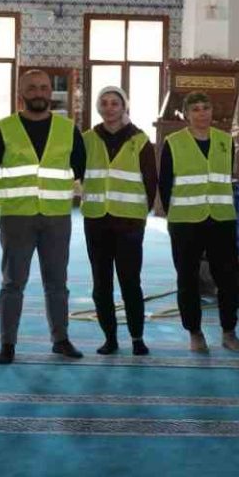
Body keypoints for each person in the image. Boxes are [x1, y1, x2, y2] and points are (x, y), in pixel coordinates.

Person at [0, 68, 87, 363]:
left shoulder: (68, 129)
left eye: (43, 88)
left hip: (56, 217)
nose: (39, 93)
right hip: (17, 217)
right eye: (32, 88)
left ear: (50, 92)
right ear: (21, 94)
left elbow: (81, 166)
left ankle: (60, 339)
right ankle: (7, 344)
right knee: (13, 283)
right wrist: (13, 191)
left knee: (57, 282)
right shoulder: (4, 128)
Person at [160, 93, 239, 353]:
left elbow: (226, 177)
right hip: (185, 222)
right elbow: (165, 185)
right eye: (195, 109)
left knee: (228, 279)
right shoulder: (173, 143)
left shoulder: (225, 140)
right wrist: (174, 217)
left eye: (206, 108)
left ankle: (229, 332)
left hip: (221, 219)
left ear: (212, 111)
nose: (202, 113)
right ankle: (195, 333)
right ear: (186, 114)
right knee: (188, 279)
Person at [81, 86, 156, 356]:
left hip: (129, 224)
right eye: (104, 103)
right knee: (101, 284)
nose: (110, 108)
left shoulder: (140, 140)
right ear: (98, 107)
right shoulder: (87, 139)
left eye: (115, 103)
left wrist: (140, 215)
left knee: (130, 282)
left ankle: (137, 338)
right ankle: (110, 338)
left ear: (124, 106)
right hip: (97, 221)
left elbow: (150, 182)